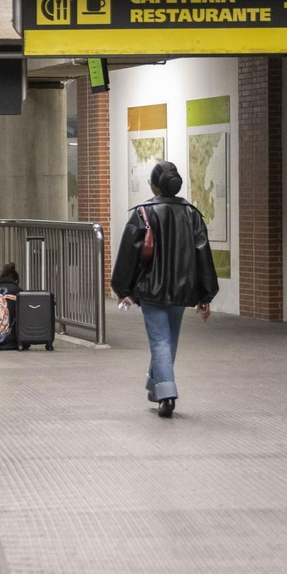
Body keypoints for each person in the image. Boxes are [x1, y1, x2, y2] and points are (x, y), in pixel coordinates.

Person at [110, 161, 219, 419]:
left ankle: (167, 397)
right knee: (169, 341)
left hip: (150, 290)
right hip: (181, 290)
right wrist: (205, 294)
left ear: (155, 186)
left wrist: (122, 288)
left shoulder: (143, 213)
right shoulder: (192, 214)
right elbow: (203, 255)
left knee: (160, 342)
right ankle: (155, 387)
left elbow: (129, 253)